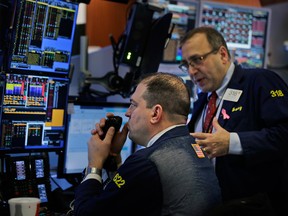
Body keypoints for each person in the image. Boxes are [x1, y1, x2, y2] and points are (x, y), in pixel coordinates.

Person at [73, 72, 222, 216]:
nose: (127, 113)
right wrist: (113, 157)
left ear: (156, 113)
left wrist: (94, 164)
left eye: (133, 105)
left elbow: (87, 212)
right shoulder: (193, 148)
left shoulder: (148, 161)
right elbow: (125, 197)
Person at [179, 26, 288, 215]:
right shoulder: (203, 100)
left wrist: (232, 143)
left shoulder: (259, 81)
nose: (192, 71)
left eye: (197, 60)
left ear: (222, 54)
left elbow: (285, 134)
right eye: (187, 64)